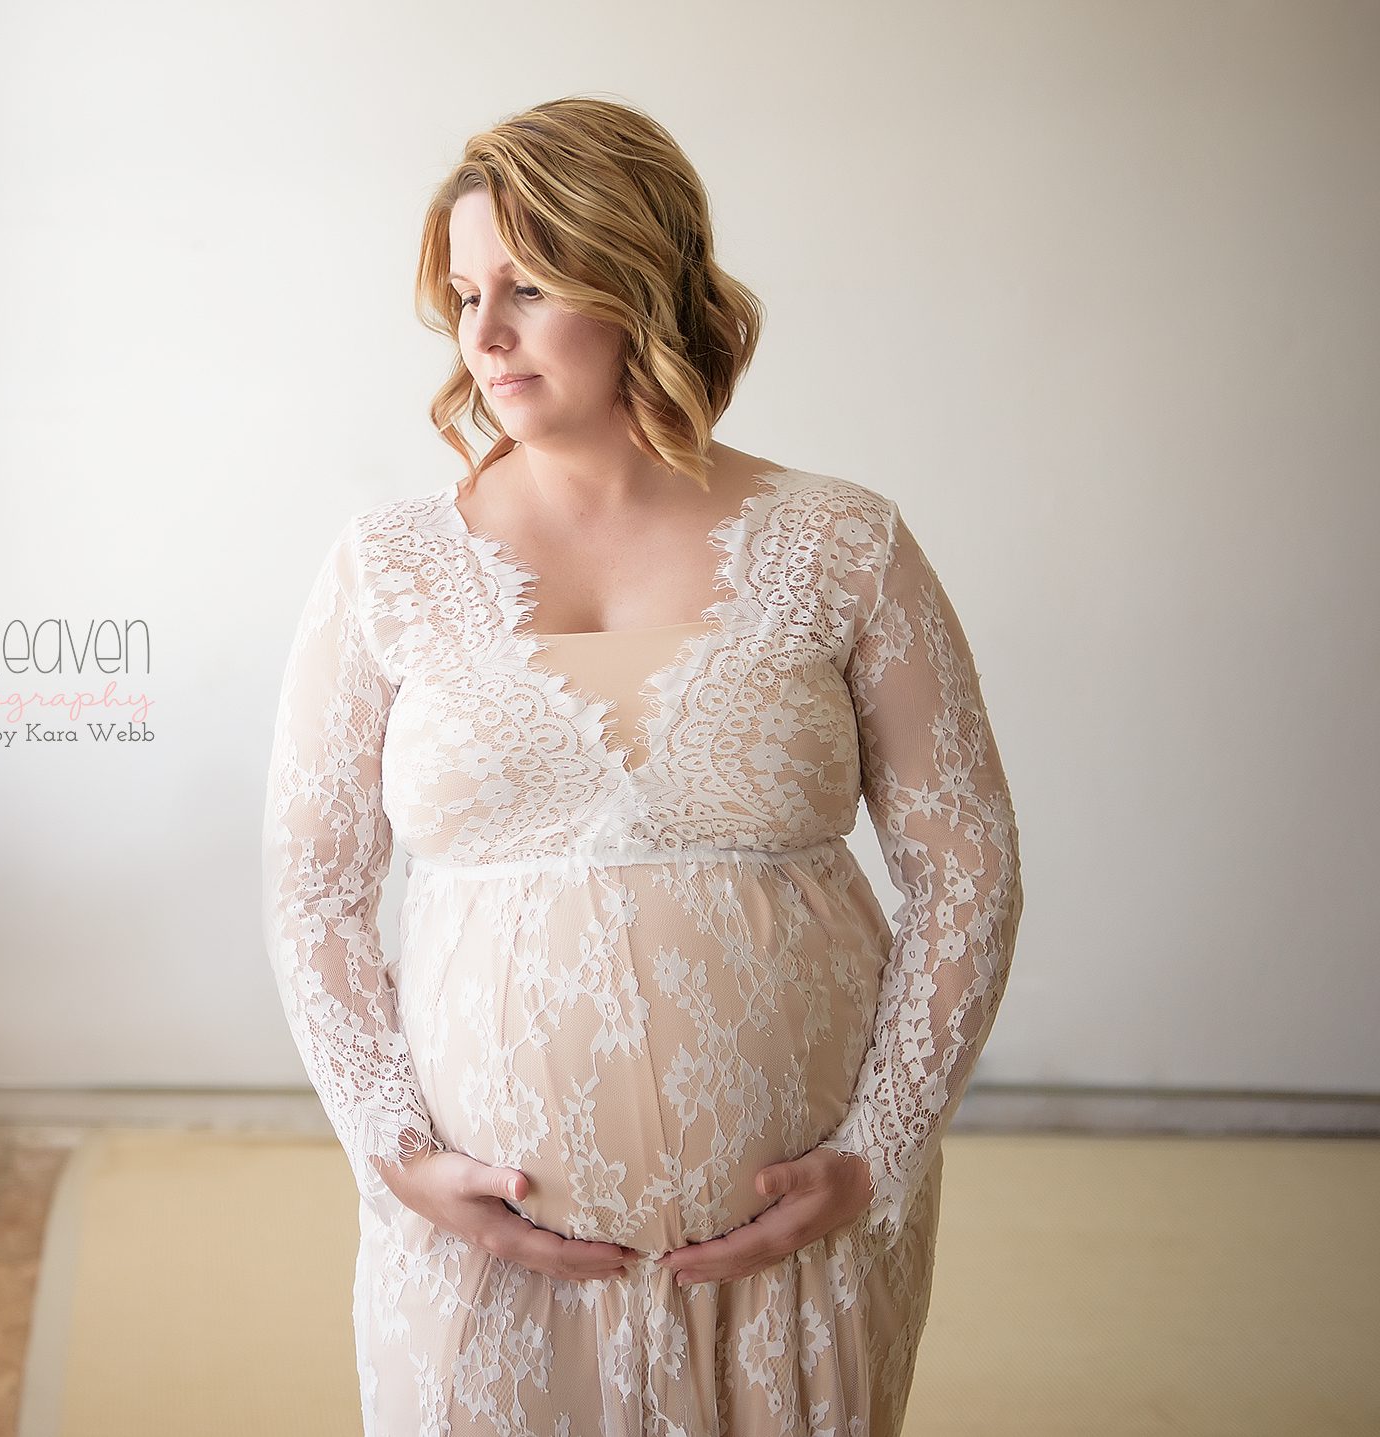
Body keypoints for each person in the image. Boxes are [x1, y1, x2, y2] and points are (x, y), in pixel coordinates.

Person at [261, 95, 1023, 1436]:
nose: (481, 335)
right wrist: (398, 1155)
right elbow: (313, 886)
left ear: (642, 283)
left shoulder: (846, 542)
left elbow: (968, 867)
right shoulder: (388, 567)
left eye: (529, 286)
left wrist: (878, 1151)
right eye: (461, 293)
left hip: (791, 1245)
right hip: (481, 1244)